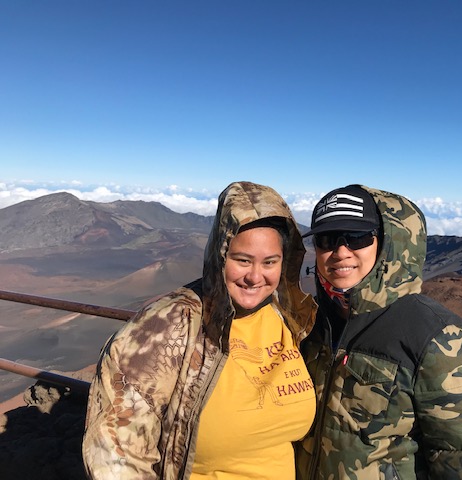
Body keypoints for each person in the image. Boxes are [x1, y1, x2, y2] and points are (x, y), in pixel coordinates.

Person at [82, 181, 317, 480]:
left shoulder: (291, 318)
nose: (255, 276)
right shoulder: (166, 328)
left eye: (269, 262)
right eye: (242, 260)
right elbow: (115, 454)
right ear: (220, 256)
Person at [296, 184, 462, 479]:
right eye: (327, 239)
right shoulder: (309, 321)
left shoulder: (437, 339)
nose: (340, 251)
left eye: (357, 237)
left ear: (389, 243)